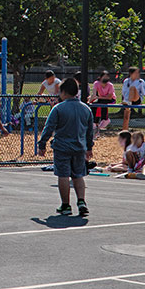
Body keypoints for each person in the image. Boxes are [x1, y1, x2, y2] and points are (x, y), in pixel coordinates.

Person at [36, 76, 95, 219]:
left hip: (62, 147)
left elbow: (49, 128)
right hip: (79, 147)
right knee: (78, 175)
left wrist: (42, 144)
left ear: (63, 92)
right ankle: (81, 202)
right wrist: (89, 147)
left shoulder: (58, 108)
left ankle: (66, 205)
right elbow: (89, 131)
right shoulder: (86, 109)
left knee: (63, 175)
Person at [120, 66, 145, 131]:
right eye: (136, 73)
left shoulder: (140, 81)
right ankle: (124, 131)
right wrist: (123, 100)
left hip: (136, 99)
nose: (138, 74)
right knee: (126, 117)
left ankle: (128, 102)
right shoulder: (126, 81)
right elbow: (123, 92)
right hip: (127, 100)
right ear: (131, 73)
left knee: (132, 88)